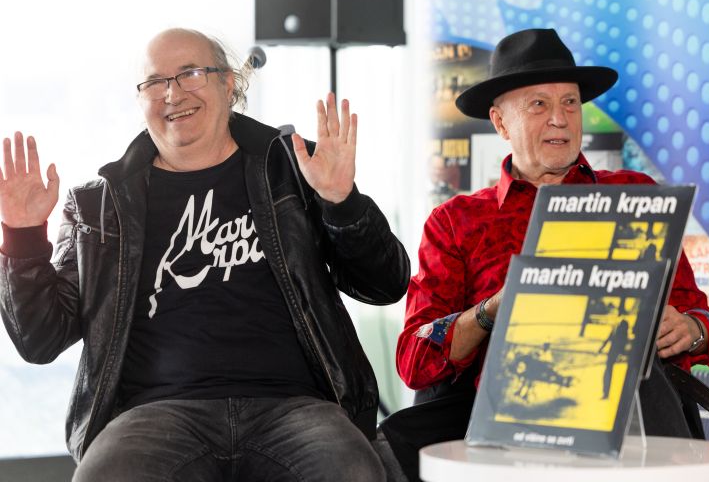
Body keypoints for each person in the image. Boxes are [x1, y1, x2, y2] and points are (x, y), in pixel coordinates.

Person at [0, 28, 410, 481]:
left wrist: (342, 202)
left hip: (295, 407)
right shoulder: (99, 205)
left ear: (228, 83)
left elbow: (384, 285)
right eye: (155, 82)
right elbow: (41, 341)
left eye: (190, 73)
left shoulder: (295, 171)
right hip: (155, 414)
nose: (173, 93)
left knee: (352, 472)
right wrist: (23, 236)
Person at [384, 28, 709, 481]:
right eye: (538, 104)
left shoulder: (634, 194)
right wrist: (493, 310)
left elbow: (707, 321)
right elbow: (414, 359)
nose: (559, 119)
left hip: (634, 416)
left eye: (570, 102)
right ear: (500, 123)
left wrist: (690, 329)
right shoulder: (457, 221)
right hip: (509, 426)